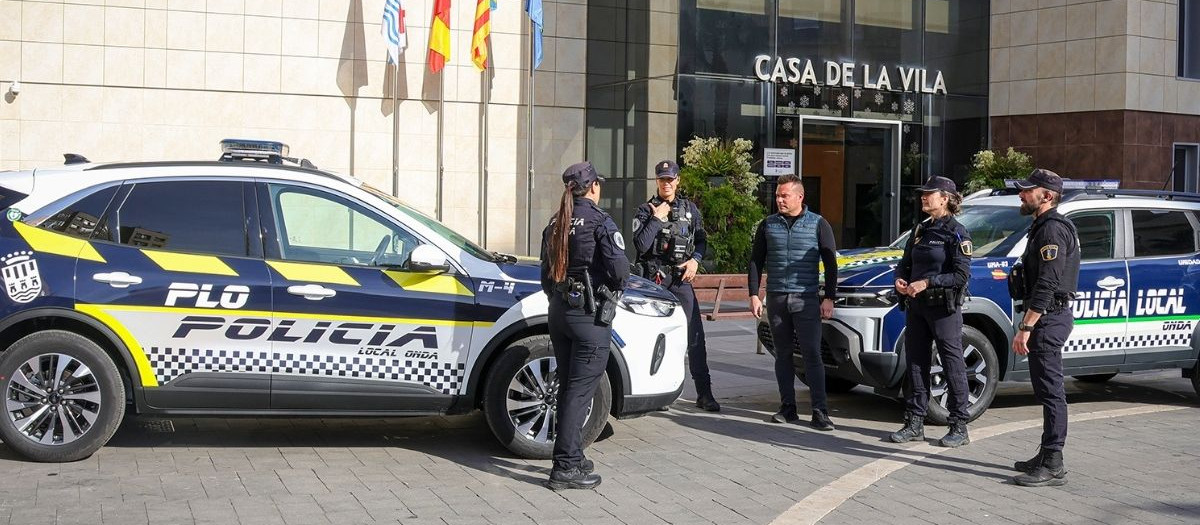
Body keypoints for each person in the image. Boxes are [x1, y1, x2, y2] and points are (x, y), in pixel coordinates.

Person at [539, 161, 630, 491]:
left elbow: (545, 277)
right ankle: (565, 467)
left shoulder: (556, 223)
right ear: (592, 187)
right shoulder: (600, 221)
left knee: (568, 388)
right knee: (579, 392)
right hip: (588, 316)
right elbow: (621, 271)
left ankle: (573, 456)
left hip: (559, 313)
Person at [1008, 168, 1080, 487]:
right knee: (1044, 389)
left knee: (1051, 392)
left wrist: (1026, 326)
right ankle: (1045, 453)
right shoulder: (1042, 227)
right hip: (1046, 318)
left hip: (1049, 319)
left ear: (1046, 195)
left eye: (1027, 190)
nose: (1021, 194)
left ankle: (1053, 462)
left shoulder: (1052, 230)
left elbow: (1048, 282)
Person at [748, 174, 838, 431]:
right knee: (782, 355)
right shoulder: (768, 225)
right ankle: (788, 408)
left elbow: (831, 264)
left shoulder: (818, 224)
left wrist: (829, 297)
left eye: (784, 195)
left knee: (812, 355)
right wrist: (754, 294)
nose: (779, 200)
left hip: (806, 298)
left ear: (800, 197)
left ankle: (820, 412)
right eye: (777, 195)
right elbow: (756, 260)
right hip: (776, 298)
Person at [888, 176, 973, 448]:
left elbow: (961, 276)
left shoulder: (957, 232)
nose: (924, 198)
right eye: (922, 194)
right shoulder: (921, 230)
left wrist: (928, 282)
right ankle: (915, 422)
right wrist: (901, 280)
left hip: (943, 308)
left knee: (952, 364)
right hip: (917, 307)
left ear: (945, 198)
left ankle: (959, 425)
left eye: (929, 194)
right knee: (916, 363)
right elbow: (905, 264)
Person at [632, 160, 719, 412]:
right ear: (657, 181)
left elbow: (701, 241)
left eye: (670, 179)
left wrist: (696, 261)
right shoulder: (645, 210)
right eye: (662, 179)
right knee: (650, 338)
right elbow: (640, 245)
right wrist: (656, 219)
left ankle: (705, 394)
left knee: (695, 337)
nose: (666, 183)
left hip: (681, 279)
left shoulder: (690, 209)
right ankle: (650, 396)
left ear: (678, 180)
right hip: (653, 281)